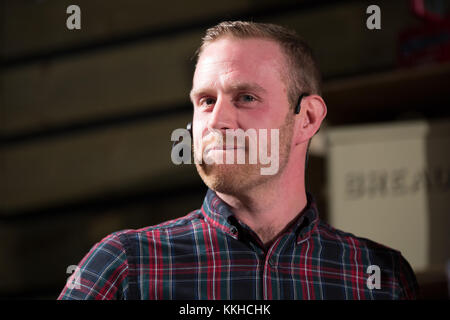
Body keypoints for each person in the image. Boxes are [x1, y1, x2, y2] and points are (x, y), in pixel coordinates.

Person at [58, 21, 420, 300]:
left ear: (306, 118)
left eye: (245, 97)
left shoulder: (379, 277)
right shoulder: (126, 265)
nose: (217, 121)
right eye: (205, 101)